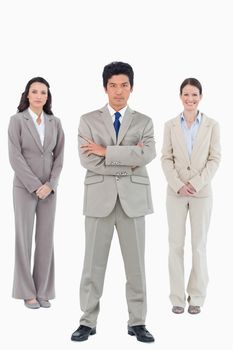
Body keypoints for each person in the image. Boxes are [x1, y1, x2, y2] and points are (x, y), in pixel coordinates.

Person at [71, 62, 155, 342]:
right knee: (92, 264)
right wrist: (128, 158)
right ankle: (87, 320)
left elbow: (147, 155)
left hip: (133, 200)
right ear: (104, 87)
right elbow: (87, 160)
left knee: (136, 265)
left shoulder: (144, 121)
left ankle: (138, 321)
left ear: (132, 87)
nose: (119, 91)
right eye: (113, 85)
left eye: (124, 85)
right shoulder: (87, 120)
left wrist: (106, 150)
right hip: (98, 199)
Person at [161, 78, 221, 315]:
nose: (190, 99)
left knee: (199, 246)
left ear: (201, 97)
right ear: (180, 96)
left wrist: (195, 183)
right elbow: (166, 157)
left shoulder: (212, 125)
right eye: (186, 94)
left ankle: (196, 297)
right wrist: (178, 184)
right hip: (175, 193)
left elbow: (215, 158)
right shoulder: (170, 125)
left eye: (194, 95)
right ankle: (177, 298)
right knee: (175, 245)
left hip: (201, 192)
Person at [8, 77, 65, 309]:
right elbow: (15, 157)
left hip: (49, 190)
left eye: (44, 92)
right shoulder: (17, 121)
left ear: (47, 96)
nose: (39, 95)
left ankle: (43, 290)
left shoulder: (55, 122)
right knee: (23, 238)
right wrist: (35, 185)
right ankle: (26, 291)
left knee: (46, 239)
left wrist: (50, 184)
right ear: (27, 95)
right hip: (24, 188)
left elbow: (59, 156)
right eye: (35, 91)